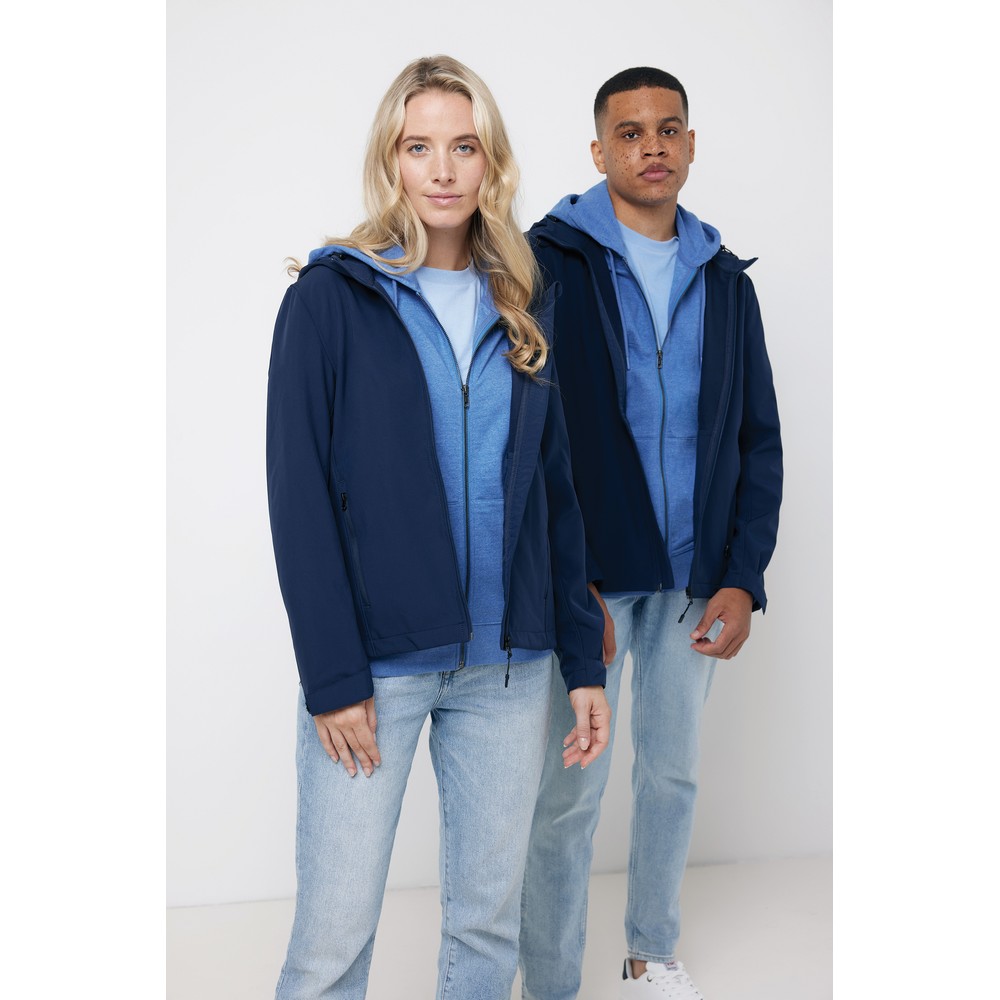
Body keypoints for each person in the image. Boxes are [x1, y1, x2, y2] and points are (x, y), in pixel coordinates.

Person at [265, 55, 612, 1000]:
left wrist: (581, 662)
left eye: (464, 146)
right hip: (375, 669)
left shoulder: (523, 300)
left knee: (485, 930)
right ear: (391, 160)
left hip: (509, 671)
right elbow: (298, 499)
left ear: (491, 160)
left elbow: (557, 496)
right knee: (333, 936)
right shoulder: (330, 300)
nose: (444, 169)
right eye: (419, 148)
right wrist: (333, 677)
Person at [517, 67, 783, 1000]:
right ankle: (551, 980)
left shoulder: (726, 280)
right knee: (569, 792)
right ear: (599, 152)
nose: (652, 146)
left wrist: (741, 575)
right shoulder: (547, 263)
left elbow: (757, 437)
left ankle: (650, 953)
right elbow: (529, 437)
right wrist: (565, 579)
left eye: (668, 129)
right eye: (629, 133)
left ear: (691, 144)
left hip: (691, 580)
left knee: (671, 775)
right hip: (589, 578)